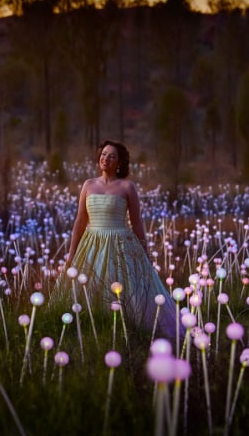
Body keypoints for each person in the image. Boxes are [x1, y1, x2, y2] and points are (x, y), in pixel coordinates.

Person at [61, 139, 176, 339]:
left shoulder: (127, 187)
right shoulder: (88, 185)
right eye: (104, 154)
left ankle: (129, 331)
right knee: (91, 286)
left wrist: (144, 253)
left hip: (120, 244)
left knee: (124, 288)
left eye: (112, 156)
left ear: (120, 163)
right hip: (92, 243)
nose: (106, 159)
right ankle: (93, 330)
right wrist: (71, 254)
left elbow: (137, 222)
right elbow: (80, 221)